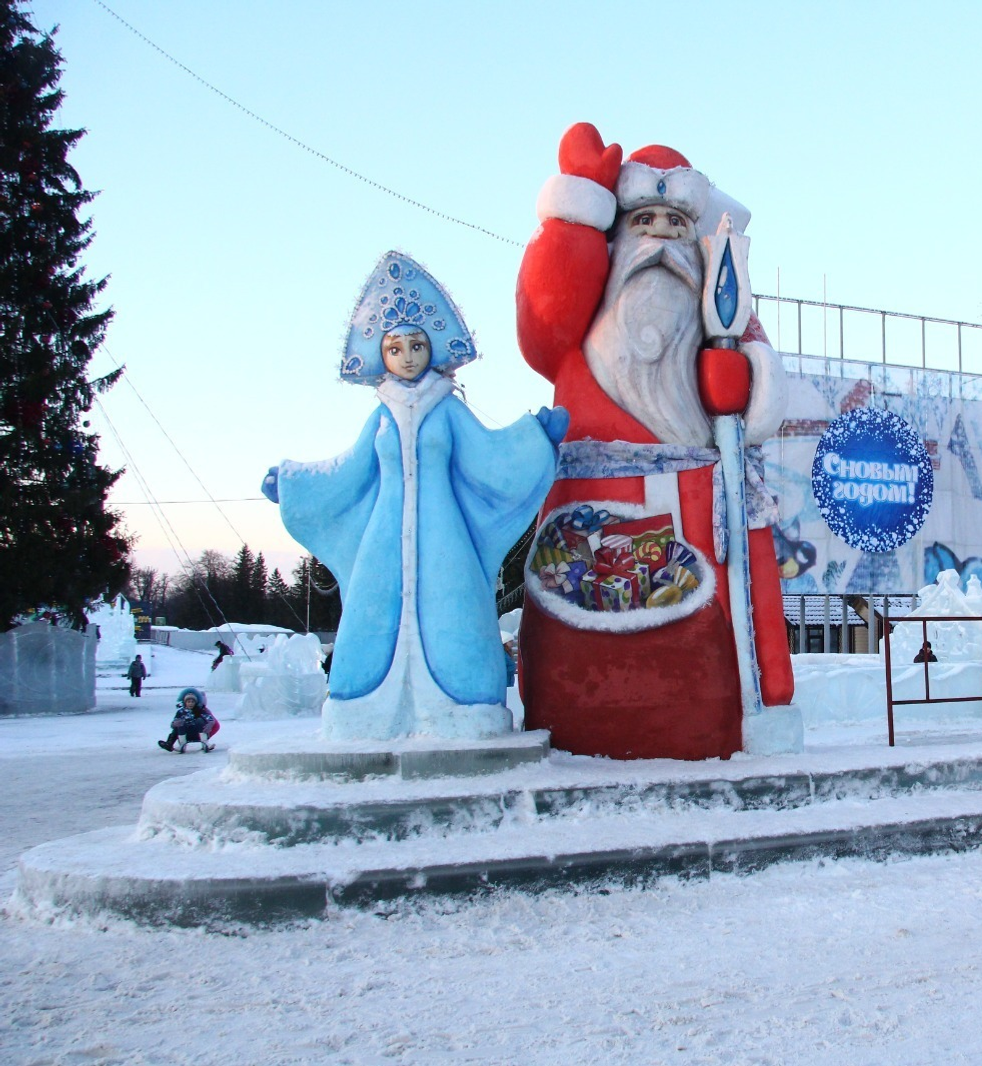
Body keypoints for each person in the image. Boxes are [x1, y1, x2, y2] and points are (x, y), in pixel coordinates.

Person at [514, 122, 793, 761]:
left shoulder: (719, 318)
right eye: (644, 220)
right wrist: (576, 209)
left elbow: (759, 388)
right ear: (614, 238)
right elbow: (546, 310)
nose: (662, 238)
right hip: (588, 529)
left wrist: (741, 381)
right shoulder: (579, 339)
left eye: (675, 222)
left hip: (702, 514)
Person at [262, 251, 565, 741]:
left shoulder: (447, 410)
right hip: (385, 539)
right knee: (370, 611)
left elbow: (490, 457)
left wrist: (535, 438)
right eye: (396, 347)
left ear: (433, 348)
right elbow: (349, 469)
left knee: (457, 611)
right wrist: (294, 482)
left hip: (444, 537)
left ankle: (464, 708)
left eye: (417, 345)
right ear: (381, 354)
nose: (407, 356)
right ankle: (364, 711)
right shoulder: (380, 416)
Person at [159, 688, 218, 753]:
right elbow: (174, 723)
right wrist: (175, 724)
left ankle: (205, 743)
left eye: (192, 702)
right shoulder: (181, 712)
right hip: (186, 733)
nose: (191, 703)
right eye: (188, 702)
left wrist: (210, 724)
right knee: (181, 723)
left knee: (200, 720)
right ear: (185, 702)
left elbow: (210, 718)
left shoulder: (200, 710)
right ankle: (182, 744)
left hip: (198, 732)